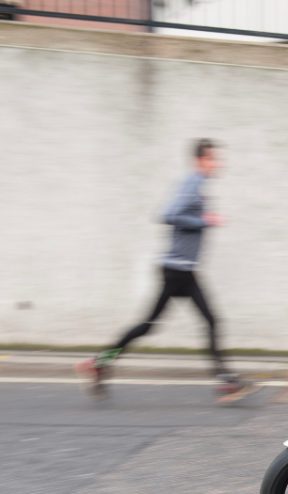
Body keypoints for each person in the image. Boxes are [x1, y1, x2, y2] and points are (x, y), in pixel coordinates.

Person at [75, 139, 253, 402]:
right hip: (177, 271)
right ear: (199, 161)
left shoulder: (197, 185)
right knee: (186, 322)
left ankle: (100, 362)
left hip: (182, 270)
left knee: (155, 325)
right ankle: (225, 380)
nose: (218, 164)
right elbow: (167, 215)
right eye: (212, 159)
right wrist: (204, 220)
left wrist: (202, 221)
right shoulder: (191, 184)